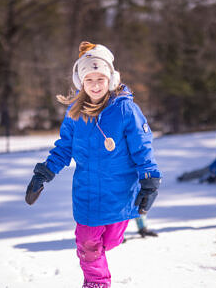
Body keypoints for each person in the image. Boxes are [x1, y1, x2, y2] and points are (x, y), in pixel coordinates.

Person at [25, 41, 162, 288]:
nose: (96, 85)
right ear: (81, 82)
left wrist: (149, 180)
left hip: (119, 193)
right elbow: (64, 148)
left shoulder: (125, 109)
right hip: (87, 193)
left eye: (101, 78)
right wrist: (44, 173)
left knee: (109, 242)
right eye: (89, 79)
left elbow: (142, 146)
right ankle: (96, 282)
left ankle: (101, 258)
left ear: (111, 78)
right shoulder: (75, 113)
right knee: (87, 243)